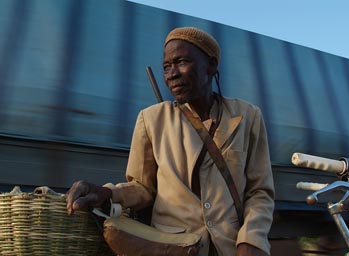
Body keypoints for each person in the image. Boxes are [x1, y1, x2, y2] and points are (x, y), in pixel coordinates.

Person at [66, 27, 275, 256]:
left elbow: (259, 192)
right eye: (166, 67)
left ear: (211, 65)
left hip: (229, 248)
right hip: (173, 247)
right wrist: (108, 193)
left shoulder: (247, 116)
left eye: (181, 62)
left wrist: (251, 240)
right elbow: (143, 188)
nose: (172, 74)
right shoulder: (151, 119)